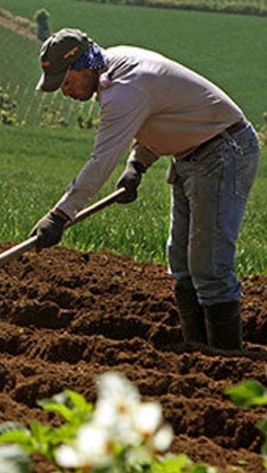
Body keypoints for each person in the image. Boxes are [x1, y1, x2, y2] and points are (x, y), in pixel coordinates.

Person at [30, 28, 261, 351]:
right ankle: (199, 351)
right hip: (190, 156)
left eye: (66, 82)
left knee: (209, 266)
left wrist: (60, 215)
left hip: (223, 152)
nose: (65, 91)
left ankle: (226, 357)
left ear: (83, 67)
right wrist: (136, 165)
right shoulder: (115, 66)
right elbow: (166, 114)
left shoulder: (124, 89)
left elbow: (101, 162)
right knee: (181, 264)